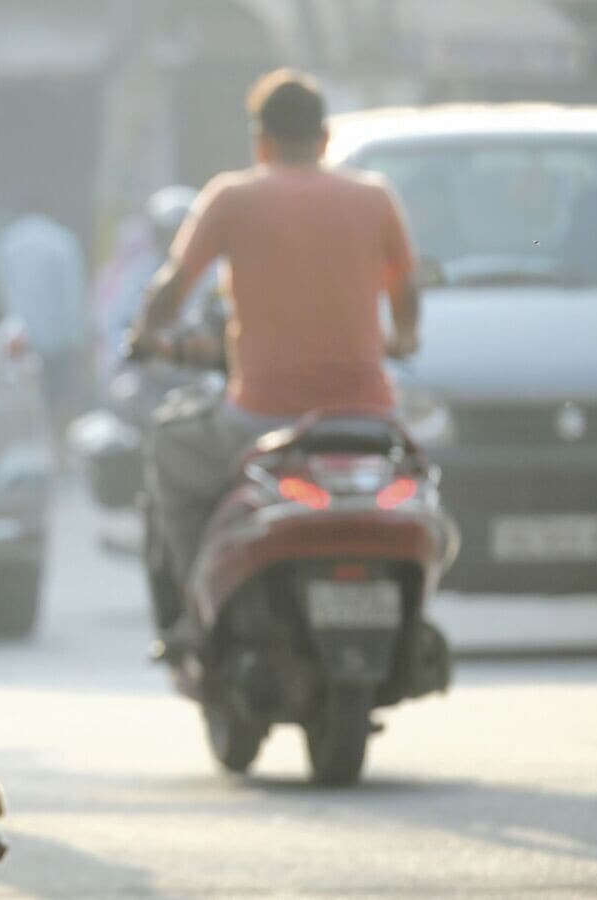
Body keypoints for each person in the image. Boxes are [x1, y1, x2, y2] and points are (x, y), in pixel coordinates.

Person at [128, 70, 420, 639]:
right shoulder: (374, 197)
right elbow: (406, 293)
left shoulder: (233, 197)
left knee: (169, 448)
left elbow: (172, 286)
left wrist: (145, 335)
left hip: (260, 418)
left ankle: (197, 612)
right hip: (367, 418)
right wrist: (403, 339)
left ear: (260, 141)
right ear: (325, 139)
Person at [0, 210, 92, 440]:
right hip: (57, 338)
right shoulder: (62, 241)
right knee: (60, 399)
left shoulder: (7, 240)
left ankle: (30, 451)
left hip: (18, 339)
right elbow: (73, 295)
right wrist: (79, 339)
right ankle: (58, 455)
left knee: (23, 401)